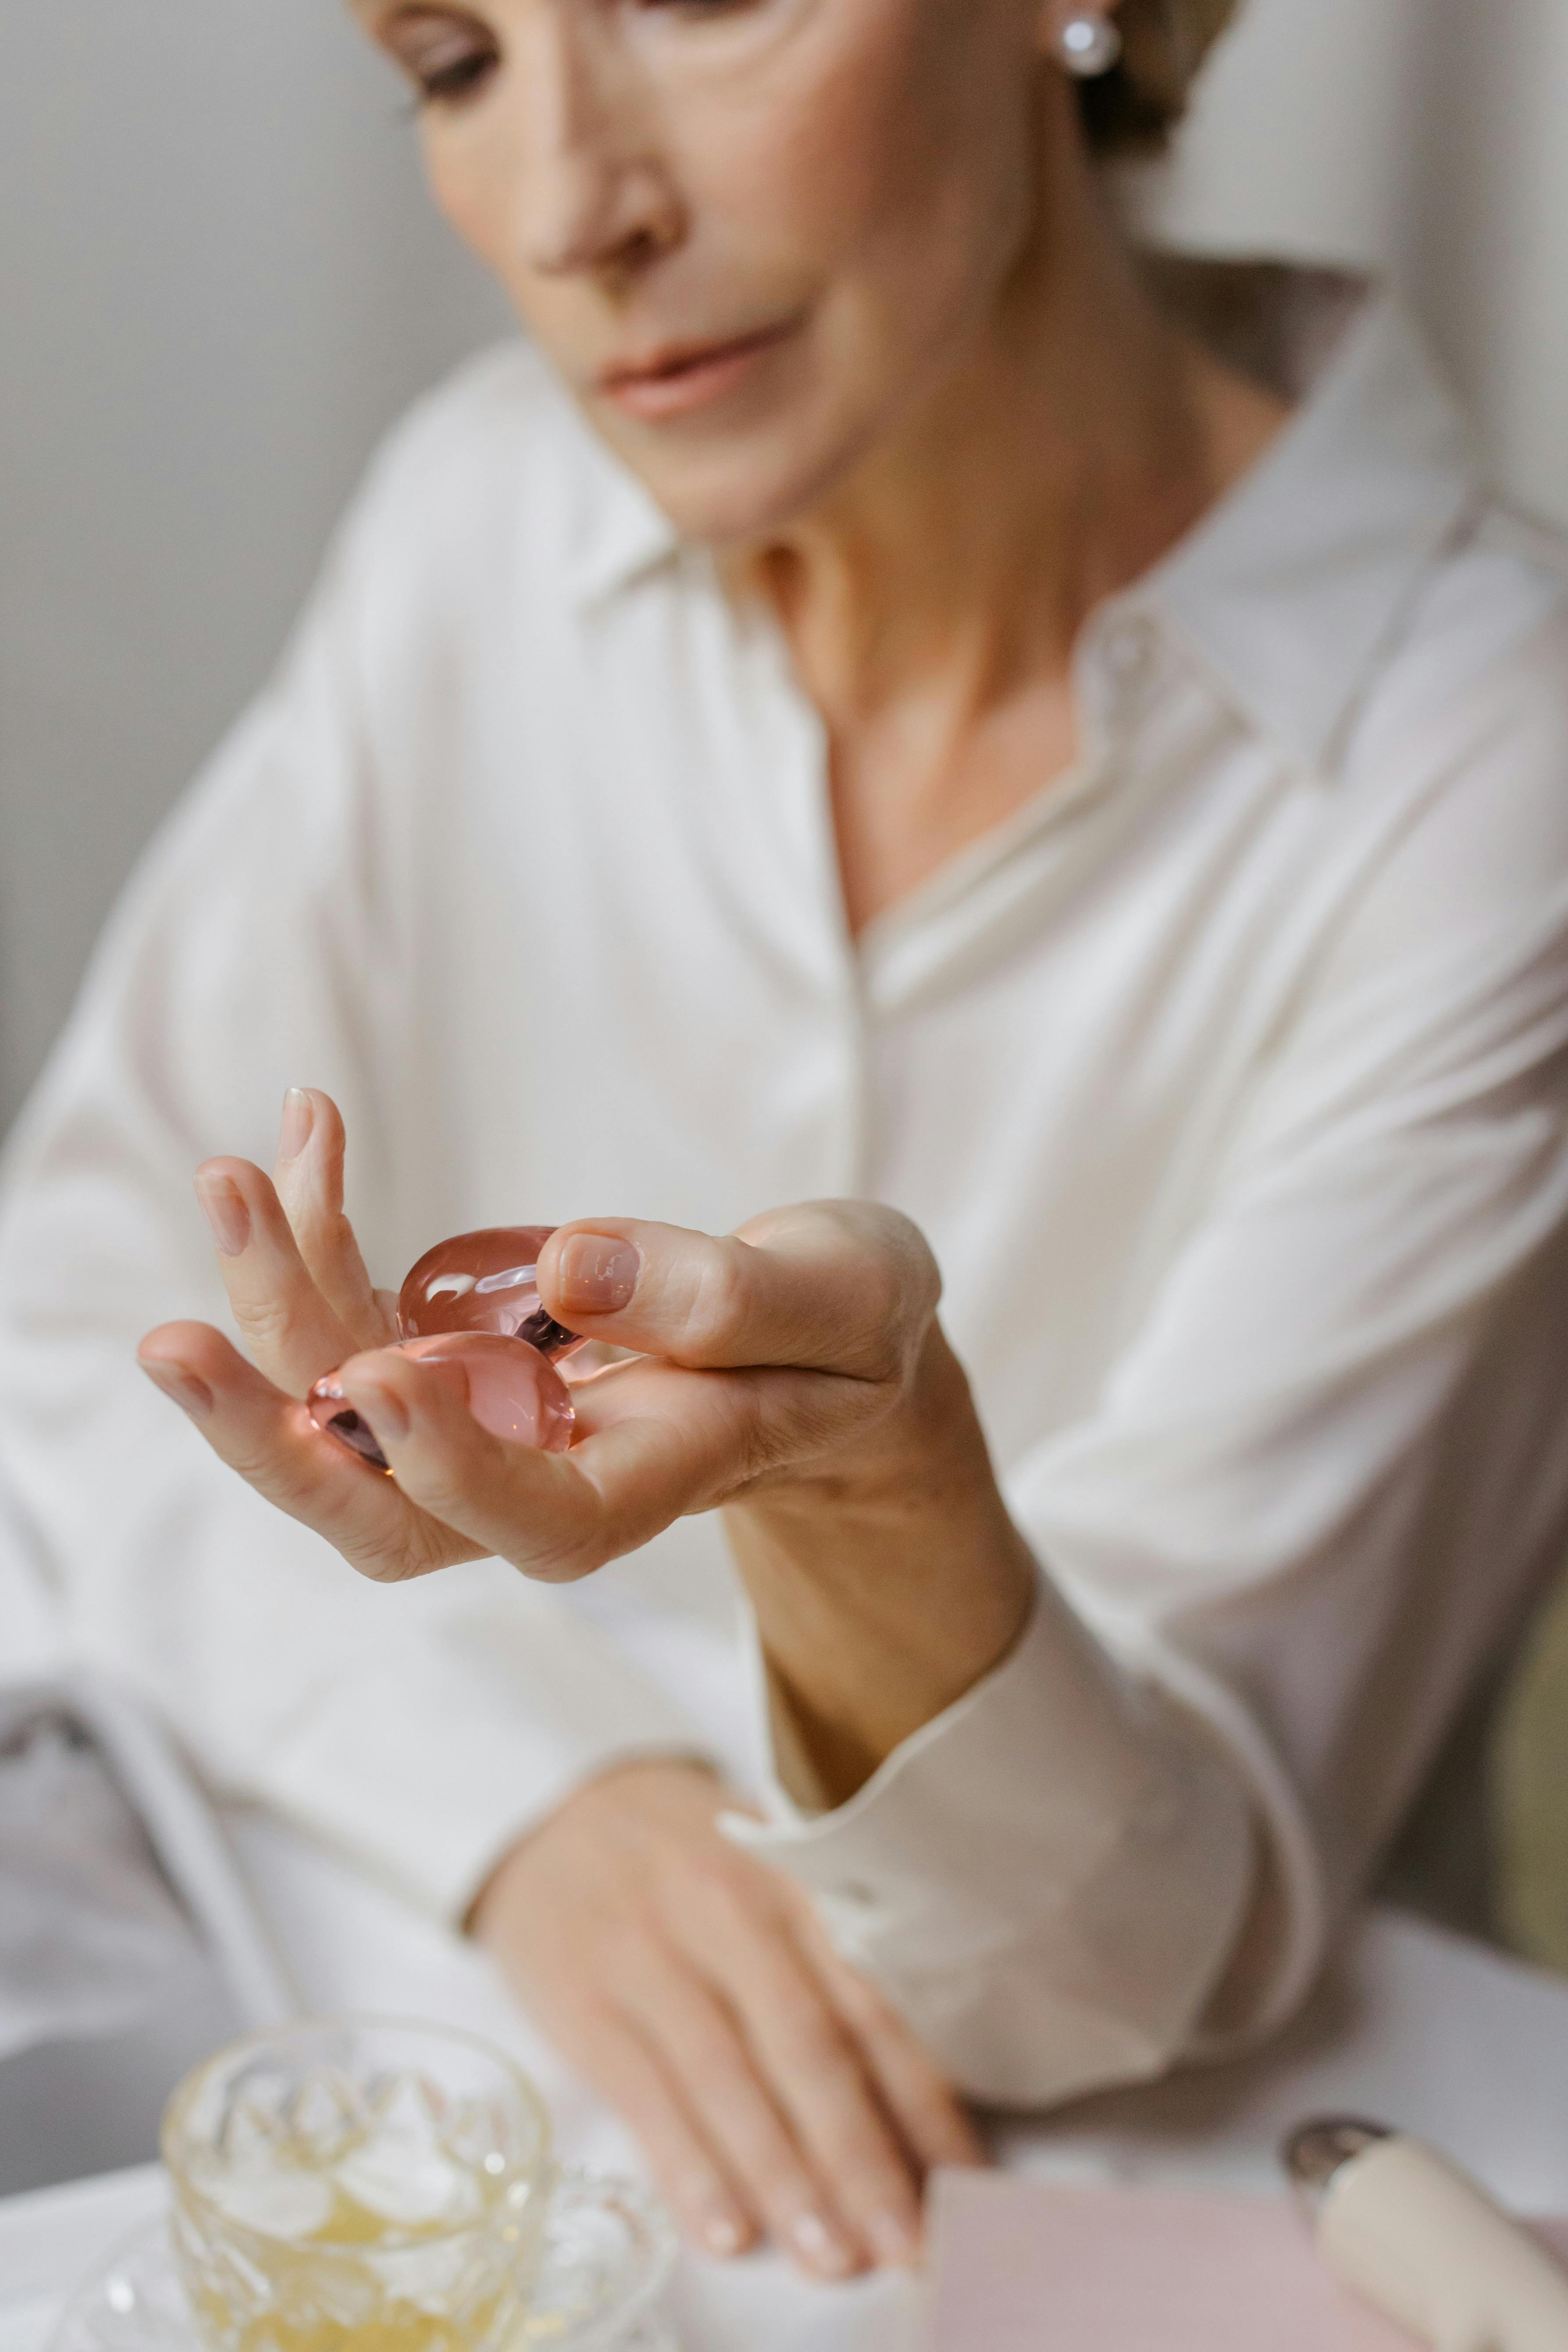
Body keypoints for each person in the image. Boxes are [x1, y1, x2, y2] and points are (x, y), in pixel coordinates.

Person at [3, 0, 1568, 2285]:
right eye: (454, 63)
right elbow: (72, 1306)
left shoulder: (1480, 760)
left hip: (1156, 2191)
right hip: (402, 1998)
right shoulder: (485, 517)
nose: (568, 211)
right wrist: (544, 1808)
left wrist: (874, 1493)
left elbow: (1123, 1950)